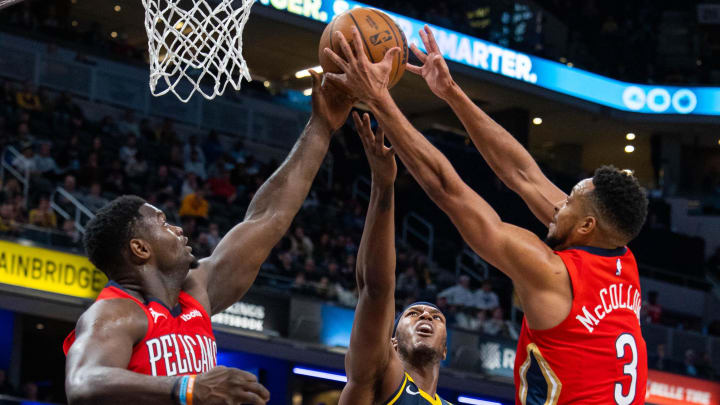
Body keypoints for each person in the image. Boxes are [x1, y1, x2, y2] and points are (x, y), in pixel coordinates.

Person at [324, 26, 648, 404]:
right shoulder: (622, 258)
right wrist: (450, 92)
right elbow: (522, 174)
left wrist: (378, 99)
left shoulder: (552, 273)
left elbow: (449, 190)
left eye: (568, 200)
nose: (557, 204)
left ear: (587, 225)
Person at [63, 70, 353, 404]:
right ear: (140, 248)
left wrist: (321, 127)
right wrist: (187, 388)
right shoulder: (116, 313)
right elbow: (83, 381)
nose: (178, 229)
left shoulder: (196, 293)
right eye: (163, 223)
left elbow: (268, 216)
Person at [339, 113, 451, 405]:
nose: (426, 316)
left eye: (436, 317)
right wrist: (382, 184)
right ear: (391, 342)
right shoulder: (379, 380)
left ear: (445, 349)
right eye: (413, 314)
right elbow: (375, 290)